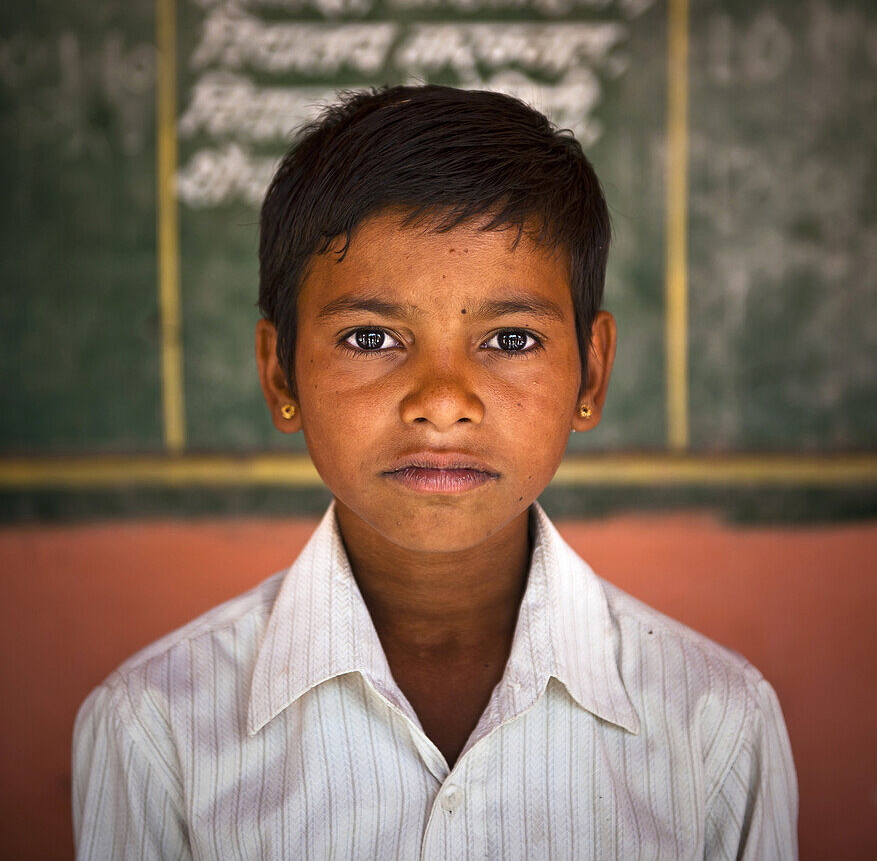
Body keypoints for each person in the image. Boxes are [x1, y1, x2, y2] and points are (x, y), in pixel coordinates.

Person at [72, 85, 797, 858]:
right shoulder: (155, 730)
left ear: (590, 374)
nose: (443, 403)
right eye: (371, 339)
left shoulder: (716, 728)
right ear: (280, 373)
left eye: (511, 340)